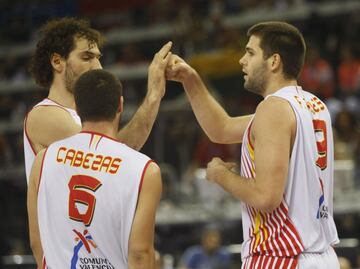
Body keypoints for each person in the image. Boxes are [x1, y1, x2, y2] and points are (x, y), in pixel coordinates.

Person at [166, 21, 340, 268]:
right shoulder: (314, 106)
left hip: (281, 256)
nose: (241, 60)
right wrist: (190, 79)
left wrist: (220, 175)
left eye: (250, 52)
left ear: (274, 61)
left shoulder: (273, 109)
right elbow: (222, 129)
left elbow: (266, 196)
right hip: (320, 255)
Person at [27, 69, 162, 269]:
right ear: (120, 106)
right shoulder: (145, 170)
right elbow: (140, 254)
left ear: (77, 109)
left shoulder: (43, 160)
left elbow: (37, 242)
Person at [24, 17, 171, 183]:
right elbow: (110, 156)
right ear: (57, 61)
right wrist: (153, 95)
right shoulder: (43, 115)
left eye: (98, 58)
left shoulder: (81, 115)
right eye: (87, 58)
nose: (98, 67)